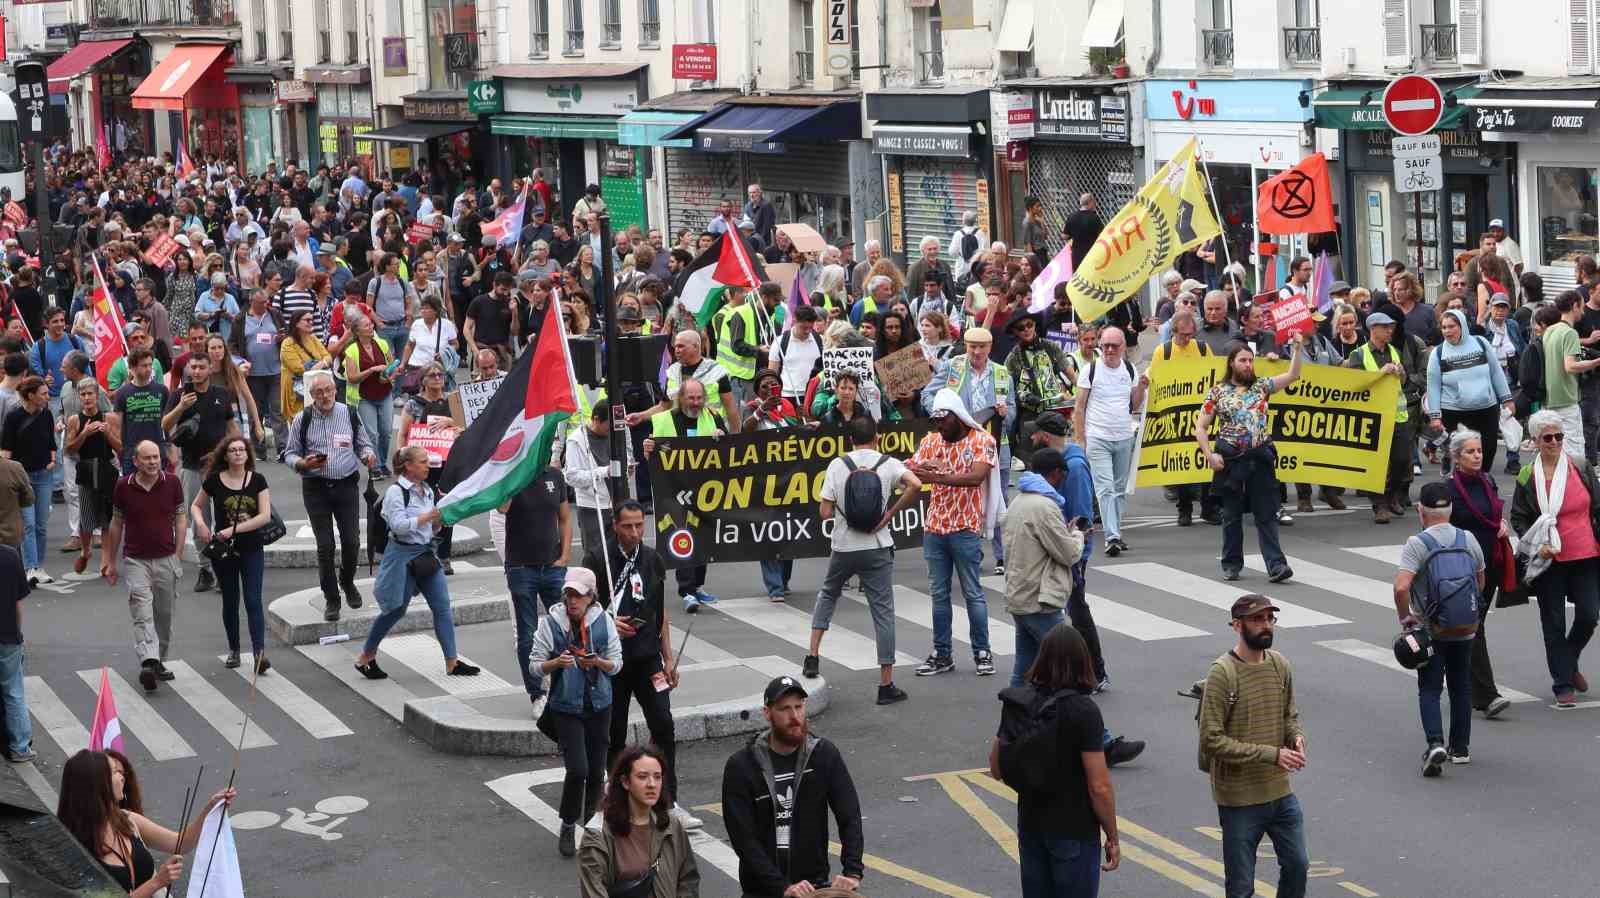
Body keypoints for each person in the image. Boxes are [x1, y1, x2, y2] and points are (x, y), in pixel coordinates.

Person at [585, 501, 701, 829]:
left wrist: (668, 658)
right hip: (613, 661)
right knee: (614, 731)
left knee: (663, 724)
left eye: (639, 525)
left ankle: (669, 801)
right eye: (628, 526)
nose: (635, 532)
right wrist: (608, 622)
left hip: (647, 656)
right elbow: (583, 610)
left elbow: (660, 613)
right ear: (614, 526)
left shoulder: (652, 559)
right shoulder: (598, 559)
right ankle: (615, 801)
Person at [990, 625, 1119, 898]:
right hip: (1074, 830)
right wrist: (1112, 835)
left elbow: (996, 767)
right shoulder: (1084, 710)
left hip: (1031, 825)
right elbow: (1099, 787)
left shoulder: (1019, 701)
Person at [803, 416, 923, 703]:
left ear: (849, 440)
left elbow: (825, 513)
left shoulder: (837, 465)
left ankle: (812, 656)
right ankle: (885, 684)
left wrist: (845, 512)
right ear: (877, 437)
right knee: (882, 612)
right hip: (878, 545)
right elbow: (916, 484)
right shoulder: (888, 464)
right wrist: (889, 514)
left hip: (844, 546)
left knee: (828, 595)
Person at [1197, 594, 1309, 898]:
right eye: (1257, 619)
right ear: (1237, 625)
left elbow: (1289, 715)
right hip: (1239, 800)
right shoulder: (1223, 673)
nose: (1266, 625)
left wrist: (1296, 737)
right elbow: (1211, 739)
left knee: (1298, 865)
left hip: (1279, 793)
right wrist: (1272, 754)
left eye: (1270, 619)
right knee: (1241, 886)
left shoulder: (1279, 665)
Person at [722, 676, 864, 898]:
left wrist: (852, 870)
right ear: (767, 713)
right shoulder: (741, 766)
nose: (795, 716)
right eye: (785, 709)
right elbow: (743, 839)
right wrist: (782, 887)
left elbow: (849, 815)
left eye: (799, 706)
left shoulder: (823, 755)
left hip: (813, 887)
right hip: (762, 891)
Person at [352, 444, 480, 678]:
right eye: (422, 461)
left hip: (425, 555)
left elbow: (429, 528)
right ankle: (366, 656)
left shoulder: (427, 490)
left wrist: (439, 522)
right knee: (395, 611)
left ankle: (452, 663)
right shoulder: (395, 492)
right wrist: (427, 517)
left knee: (442, 608)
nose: (428, 465)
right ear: (408, 466)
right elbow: (399, 526)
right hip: (402, 557)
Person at [529, 566, 623, 857]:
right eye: (568, 595)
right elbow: (534, 665)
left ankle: (591, 825)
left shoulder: (604, 621)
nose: (572, 601)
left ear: (591, 597)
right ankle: (569, 823)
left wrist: (597, 663)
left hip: (599, 705)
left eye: (579, 596)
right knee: (578, 769)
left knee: (597, 770)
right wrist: (556, 663)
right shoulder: (551, 623)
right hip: (565, 707)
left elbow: (616, 664)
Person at [1195, 338, 1306, 582]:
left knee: (1266, 514)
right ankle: (1232, 564)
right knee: (1232, 515)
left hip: (1260, 459)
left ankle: (1276, 565)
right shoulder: (1217, 392)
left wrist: (1297, 349)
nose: (1248, 365)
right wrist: (1209, 455)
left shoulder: (1262, 386)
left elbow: (1293, 375)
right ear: (1231, 363)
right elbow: (1201, 427)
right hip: (1231, 460)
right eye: (1242, 360)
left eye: (1250, 360)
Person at [1510, 408, 1600, 709]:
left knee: (1589, 615)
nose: (1554, 442)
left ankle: (1569, 659)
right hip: (1549, 560)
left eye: (1559, 436)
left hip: (1586, 554)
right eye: (1548, 437)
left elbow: (1596, 508)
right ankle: (1562, 682)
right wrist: (1539, 547)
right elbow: (1519, 518)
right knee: (1554, 623)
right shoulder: (1527, 475)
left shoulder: (1579, 466)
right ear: (1535, 440)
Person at [1393, 480, 1485, 775]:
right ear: (1451, 509)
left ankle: (1435, 744)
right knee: (1461, 685)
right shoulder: (1467, 538)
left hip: (1432, 628)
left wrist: (1405, 615)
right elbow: (1480, 578)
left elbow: (1401, 587)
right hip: (1465, 626)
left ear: (1421, 510)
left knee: (1430, 688)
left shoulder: (1417, 544)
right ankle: (1461, 748)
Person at [56, 749, 236, 897]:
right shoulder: (73, 849)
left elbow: (180, 843)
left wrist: (210, 808)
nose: (122, 777)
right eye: (114, 772)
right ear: (97, 785)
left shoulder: (128, 820)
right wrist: (157, 882)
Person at [907, 389, 998, 677]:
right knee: (938, 594)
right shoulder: (932, 440)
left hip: (965, 528)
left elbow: (975, 477)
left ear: (957, 416)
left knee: (973, 593)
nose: (938, 426)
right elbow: (910, 470)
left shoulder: (983, 440)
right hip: (934, 527)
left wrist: (936, 474)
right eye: (935, 421)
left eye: (942, 420)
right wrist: (928, 469)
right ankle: (942, 654)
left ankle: (982, 652)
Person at [285, 371, 380, 622]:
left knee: (351, 541)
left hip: (346, 485)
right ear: (311, 395)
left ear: (335, 390)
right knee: (325, 546)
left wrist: (368, 456)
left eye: (328, 390)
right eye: (318, 392)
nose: (324, 396)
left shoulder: (348, 413)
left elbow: (363, 444)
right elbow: (289, 453)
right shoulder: (302, 418)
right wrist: (302, 463)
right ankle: (331, 599)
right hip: (315, 487)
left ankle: (346, 581)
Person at [923, 327, 1014, 574]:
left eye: (981, 346)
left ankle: (1002, 555)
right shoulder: (954, 367)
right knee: (970, 498)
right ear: (965, 345)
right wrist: (945, 413)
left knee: (999, 498)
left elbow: (1013, 411)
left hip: (996, 445)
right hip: (962, 446)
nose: (976, 351)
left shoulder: (1002, 373)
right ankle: (973, 552)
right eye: (972, 346)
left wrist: (1007, 413)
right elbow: (927, 395)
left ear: (990, 347)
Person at [101, 440, 187, 693]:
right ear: (135, 461)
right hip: (136, 559)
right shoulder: (122, 486)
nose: (152, 462)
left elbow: (181, 519)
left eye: (156, 458)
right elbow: (116, 523)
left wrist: (178, 555)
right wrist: (110, 561)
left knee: (164, 614)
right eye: (147, 458)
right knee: (141, 610)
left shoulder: (172, 482)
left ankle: (158, 660)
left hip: (166, 558)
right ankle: (148, 661)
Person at [1441, 427, 1515, 720]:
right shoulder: (1447, 490)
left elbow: (1494, 513)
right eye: (1470, 451)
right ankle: (1487, 695)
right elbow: (1439, 530)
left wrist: (1502, 525)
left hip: (1491, 564)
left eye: (1480, 451)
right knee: (1474, 627)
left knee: (1472, 628)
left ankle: (1464, 684)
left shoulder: (1488, 481)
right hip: (1463, 569)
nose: (1477, 456)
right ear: (1457, 457)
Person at [1002, 448, 1090, 681]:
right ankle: (1067, 714)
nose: (1063, 480)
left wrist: (1065, 532)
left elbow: (1043, 542)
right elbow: (1069, 554)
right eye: (1063, 475)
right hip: (1040, 600)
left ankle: (1015, 713)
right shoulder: (1045, 506)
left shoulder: (1019, 501)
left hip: (1020, 595)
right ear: (1055, 473)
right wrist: (1078, 536)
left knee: (1024, 667)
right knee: (1066, 665)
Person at [188, 435, 272, 673]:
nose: (237, 453)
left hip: (252, 547)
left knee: (253, 600)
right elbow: (195, 505)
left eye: (241, 450)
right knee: (230, 600)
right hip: (224, 552)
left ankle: (259, 653)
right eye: (233, 450)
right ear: (225, 455)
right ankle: (234, 649)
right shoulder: (215, 481)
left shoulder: (258, 480)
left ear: (247, 454)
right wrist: (201, 523)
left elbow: (264, 516)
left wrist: (229, 530)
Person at [577, 744, 702, 898]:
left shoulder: (671, 825)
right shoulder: (599, 834)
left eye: (657, 777)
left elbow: (688, 880)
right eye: (642, 777)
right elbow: (594, 891)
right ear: (625, 782)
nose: (652, 784)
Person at [642, 378, 723, 613]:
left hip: (705, 490)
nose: (696, 402)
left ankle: (697, 585)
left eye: (699, 398)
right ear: (681, 398)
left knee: (703, 538)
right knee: (683, 536)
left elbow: (727, 449)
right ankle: (686, 590)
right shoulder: (664, 420)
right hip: (675, 490)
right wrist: (648, 449)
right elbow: (653, 456)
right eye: (691, 398)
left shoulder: (712, 417)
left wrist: (721, 436)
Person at [161, 353, 238, 594]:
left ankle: (225, 567)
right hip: (192, 466)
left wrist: (238, 449)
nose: (195, 371)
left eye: (200, 367)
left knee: (226, 518)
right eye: (192, 367)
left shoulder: (221, 394)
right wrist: (181, 407)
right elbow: (164, 425)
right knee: (199, 519)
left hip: (221, 467)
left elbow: (230, 425)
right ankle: (206, 569)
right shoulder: (179, 395)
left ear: (210, 368)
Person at [501, 466, 571, 708]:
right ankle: (536, 693)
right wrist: (516, 475)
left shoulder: (554, 475)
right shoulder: (512, 473)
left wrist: (564, 556)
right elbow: (502, 508)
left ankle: (563, 685)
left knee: (564, 627)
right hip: (521, 568)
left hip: (552, 566)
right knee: (527, 633)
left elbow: (564, 517)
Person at [1072, 326, 1146, 556]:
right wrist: (1081, 440)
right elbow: (1079, 407)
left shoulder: (1129, 368)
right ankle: (1112, 537)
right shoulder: (1090, 370)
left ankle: (1116, 531)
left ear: (1124, 347)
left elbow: (1133, 404)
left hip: (1123, 437)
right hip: (1098, 438)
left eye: (1114, 345)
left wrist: (1142, 387)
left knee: (1119, 489)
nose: (1109, 350)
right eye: (1105, 345)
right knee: (1105, 489)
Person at [1346, 312, 1417, 523]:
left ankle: (1392, 494)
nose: (1390, 330)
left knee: (1402, 460)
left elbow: (1403, 382)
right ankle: (1380, 505)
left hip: (1397, 413)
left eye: (1391, 327)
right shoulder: (1358, 355)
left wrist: (1401, 373)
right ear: (1373, 329)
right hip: (1373, 415)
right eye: (1385, 327)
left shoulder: (1394, 350)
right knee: (1375, 463)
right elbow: (1355, 384)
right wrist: (1381, 372)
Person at [1427, 309, 1514, 472]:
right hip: (1454, 412)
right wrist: (1435, 416)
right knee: (1460, 454)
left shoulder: (1481, 343)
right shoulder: (1438, 353)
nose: (1447, 331)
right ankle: (1457, 486)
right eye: (1444, 327)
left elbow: (1496, 371)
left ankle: (1482, 482)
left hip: (1486, 409)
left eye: (1451, 326)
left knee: (1488, 449)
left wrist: (1507, 398)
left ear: (1462, 327)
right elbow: (1433, 386)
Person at [398, 363, 461, 573]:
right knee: (423, 509)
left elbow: (466, 426)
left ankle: (444, 555)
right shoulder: (413, 405)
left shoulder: (452, 400)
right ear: (423, 380)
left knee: (447, 507)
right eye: (432, 375)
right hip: (420, 466)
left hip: (448, 464)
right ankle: (425, 553)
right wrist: (402, 458)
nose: (437, 378)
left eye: (440, 374)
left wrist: (450, 421)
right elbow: (403, 433)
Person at [2, 377, 55, 583]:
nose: (47, 396)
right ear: (31, 396)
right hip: (21, 478)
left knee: (41, 524)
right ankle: (30, 568)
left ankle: (39, 567)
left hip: (44, 475)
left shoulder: (47, 414)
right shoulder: (13, 417)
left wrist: (51, 460)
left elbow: (51, 441)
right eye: (43, 393)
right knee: (28, 525)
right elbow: (7, 449)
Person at [65, 378, 119, 576]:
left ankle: (105, 559)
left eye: (90, 394)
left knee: (107, 517)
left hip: (106, 468)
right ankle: (85, 550)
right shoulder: (75, 420)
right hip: (86, 470)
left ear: (97, 396)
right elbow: (70, 450)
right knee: (86, 518)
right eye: (83, 394)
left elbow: (121, 449)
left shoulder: (109, 418)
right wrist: (84, 434)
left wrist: (107, 434)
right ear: (79, 397)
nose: (87, 398)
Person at [564, 402, 631, 559]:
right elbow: (571, 477)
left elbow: (625, 456)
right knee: (596, 557)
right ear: (596, 420)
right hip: (592, 507)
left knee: (621, 554)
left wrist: (628, 466)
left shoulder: (616, 434)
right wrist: (604, 472)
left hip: (619, 503)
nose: (611, 430)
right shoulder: (576, 441)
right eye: (608, 425)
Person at [342, 313, 395, 478]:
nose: (371, 327)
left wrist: (388, 375)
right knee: (372, 434)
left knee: (386, 432)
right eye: (367, 325)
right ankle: (375, 467)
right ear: (357, 331)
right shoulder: (351, 350)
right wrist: (371, 370)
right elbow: (351, 377)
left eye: (371, 324)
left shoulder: (382, 343)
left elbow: (391, 365)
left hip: (384, 393)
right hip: (364, 397)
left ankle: (382, 462)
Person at [0, 531, 29, 761]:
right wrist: (19, 634)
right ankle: (20, 747)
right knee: (13, 692)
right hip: (8, 636)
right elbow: (19, 605)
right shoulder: (11, 557)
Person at [279, 308, 331, 428]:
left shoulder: (313, 338)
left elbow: (328, 357)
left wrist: (320, 364)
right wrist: (320, 363)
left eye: (311, 320)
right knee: (301, 428)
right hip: (297, 393)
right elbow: (298, 368)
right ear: (296, 323)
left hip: (317, 389)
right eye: (307, 320)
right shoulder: (288, 343)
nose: (310, 322)